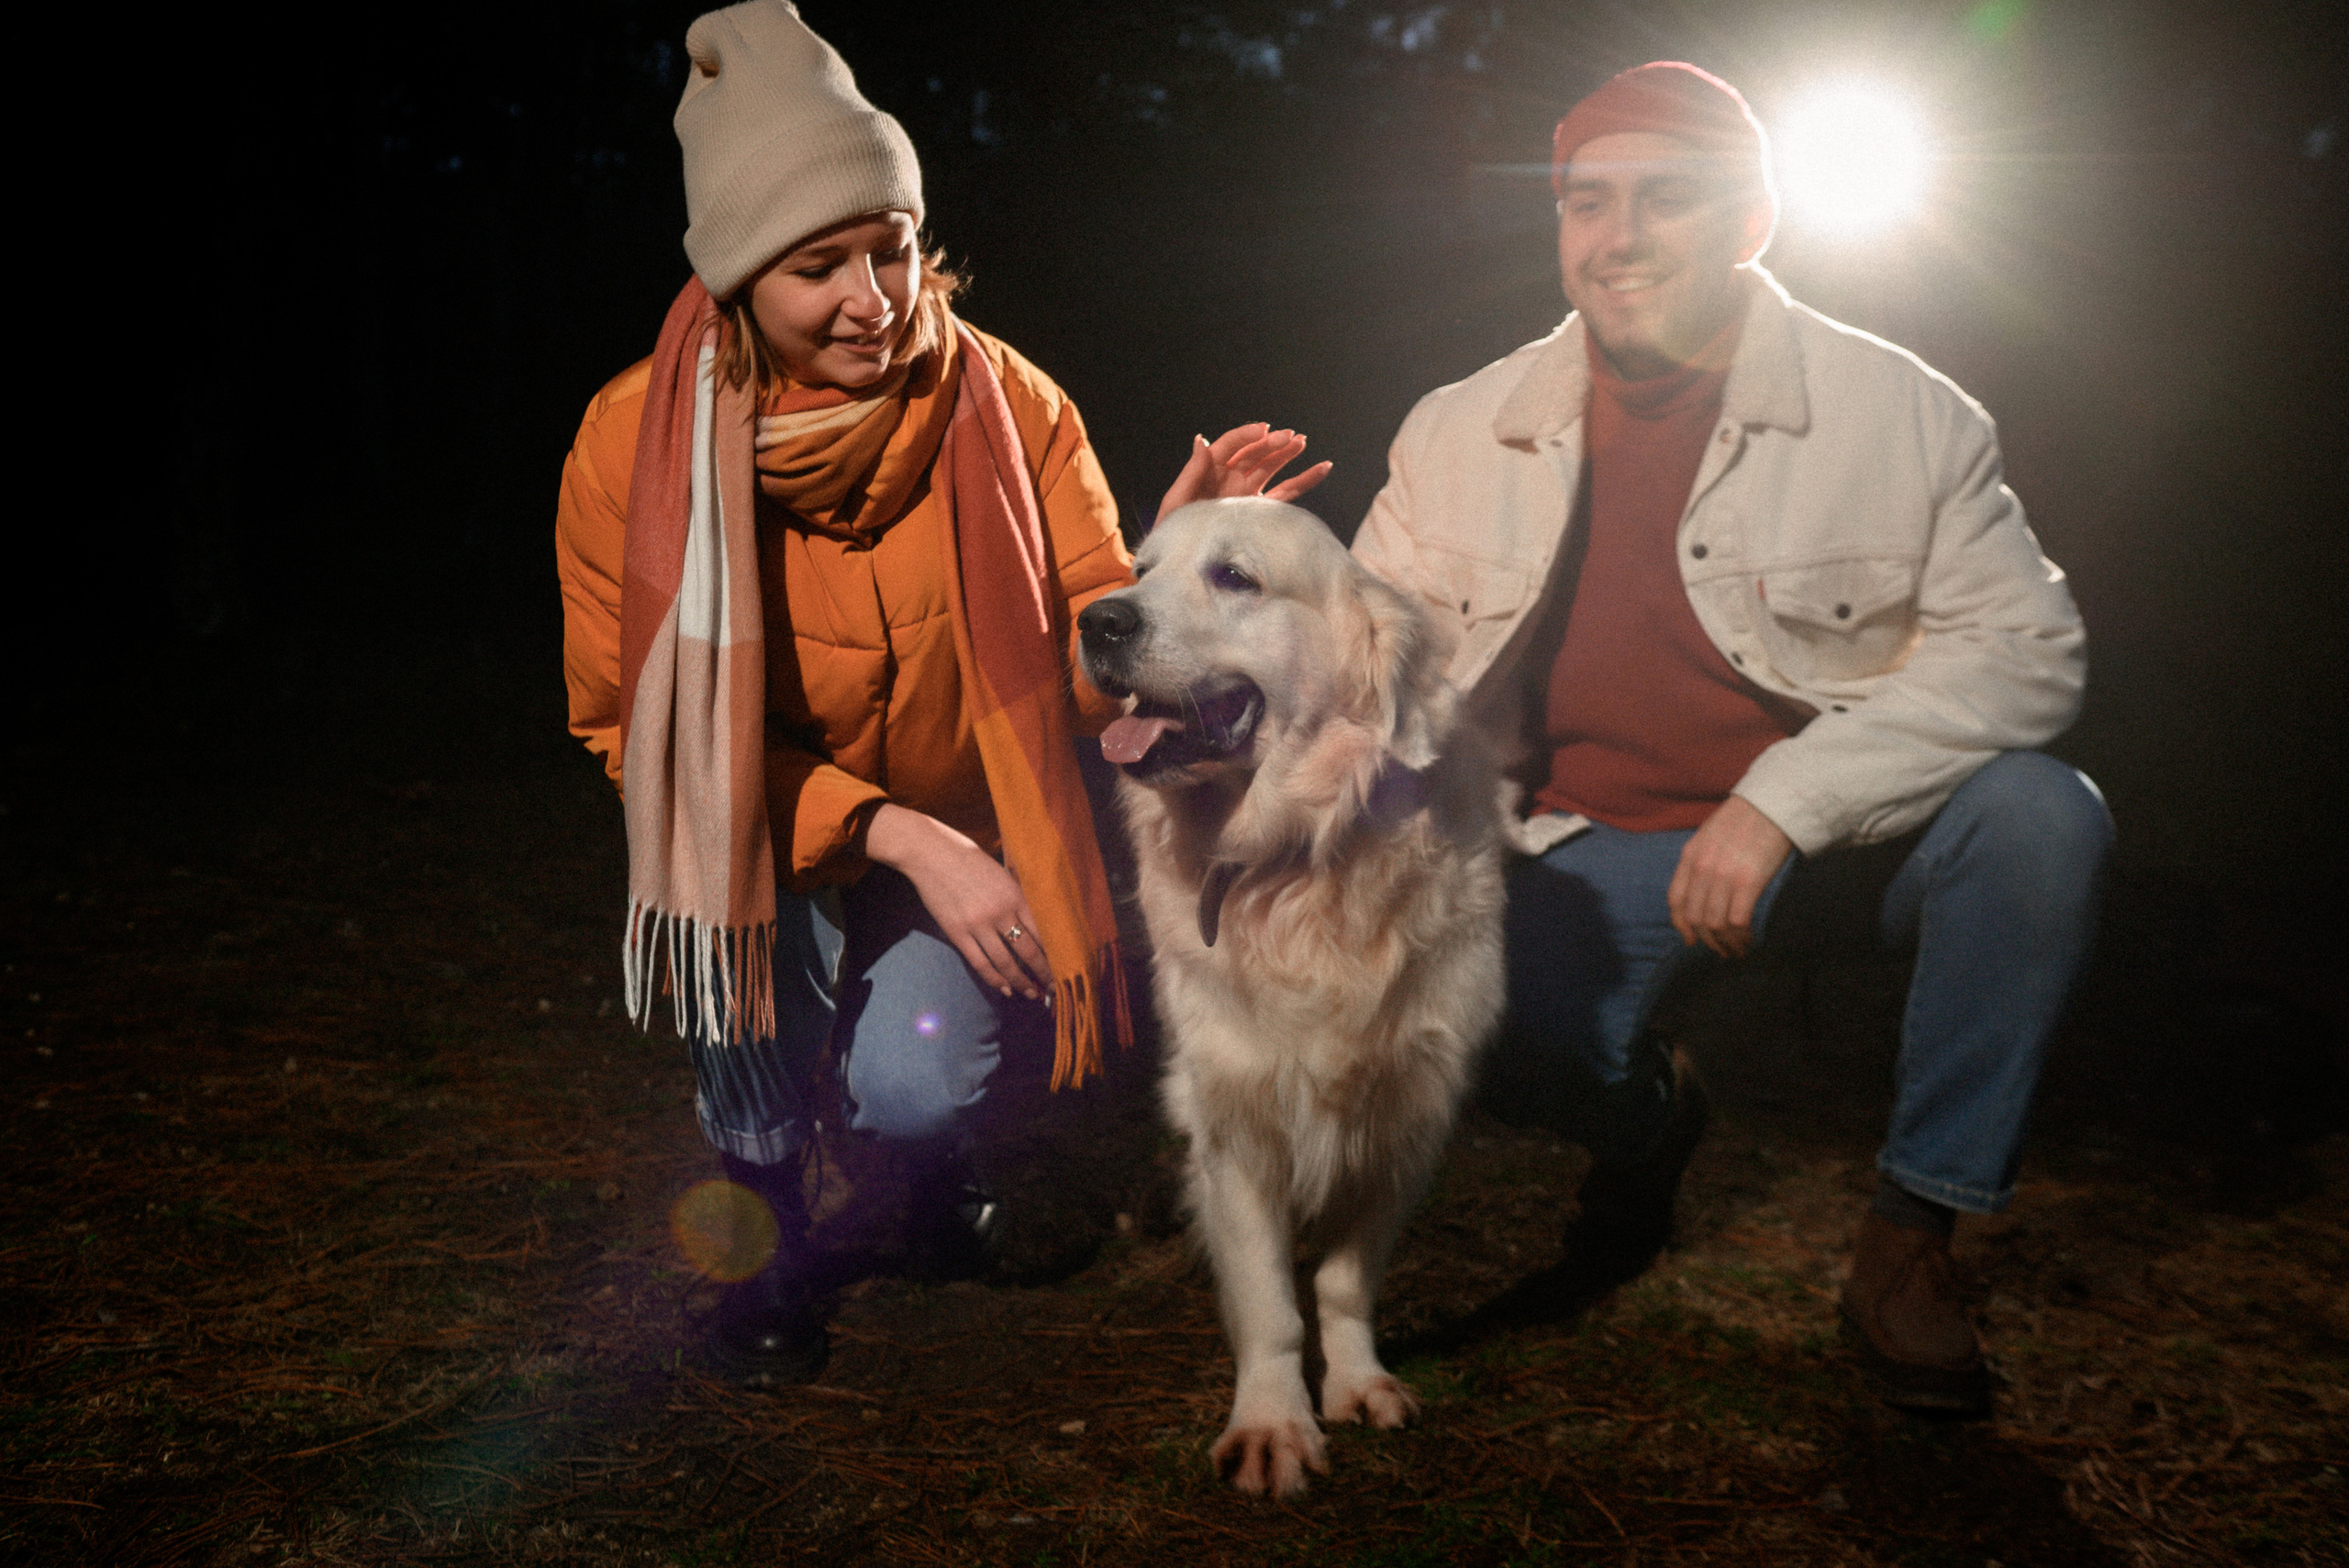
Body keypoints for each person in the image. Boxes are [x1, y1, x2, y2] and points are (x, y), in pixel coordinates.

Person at [555, 0, 1319, 1386]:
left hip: (959, 822)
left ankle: (917, 1158)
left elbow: (1100, 676)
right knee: (742, 955)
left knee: (915, 1085)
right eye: (817, 265)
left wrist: (1176, 574)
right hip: (760, 835)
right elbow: (634, 734)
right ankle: (773, 1223)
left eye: (891, 247)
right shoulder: (632, 445)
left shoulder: (1009, 403)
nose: (875, 297)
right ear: (736, 279)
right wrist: (896, 835)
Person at [1352, 61, 2113, 1414]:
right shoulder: (1461, 428)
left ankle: (1910, 1236)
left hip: (1860, 838)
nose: (1619, 235)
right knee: (1501, 1043)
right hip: (1593, 840)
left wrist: (1785, 800)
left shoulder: (1903, 412)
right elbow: (1366, 676)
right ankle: (1648, 1110)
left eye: (1669, 200)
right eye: (1588, 201)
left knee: (2045, 814)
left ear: (1754, 221)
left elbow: (2029, 648)